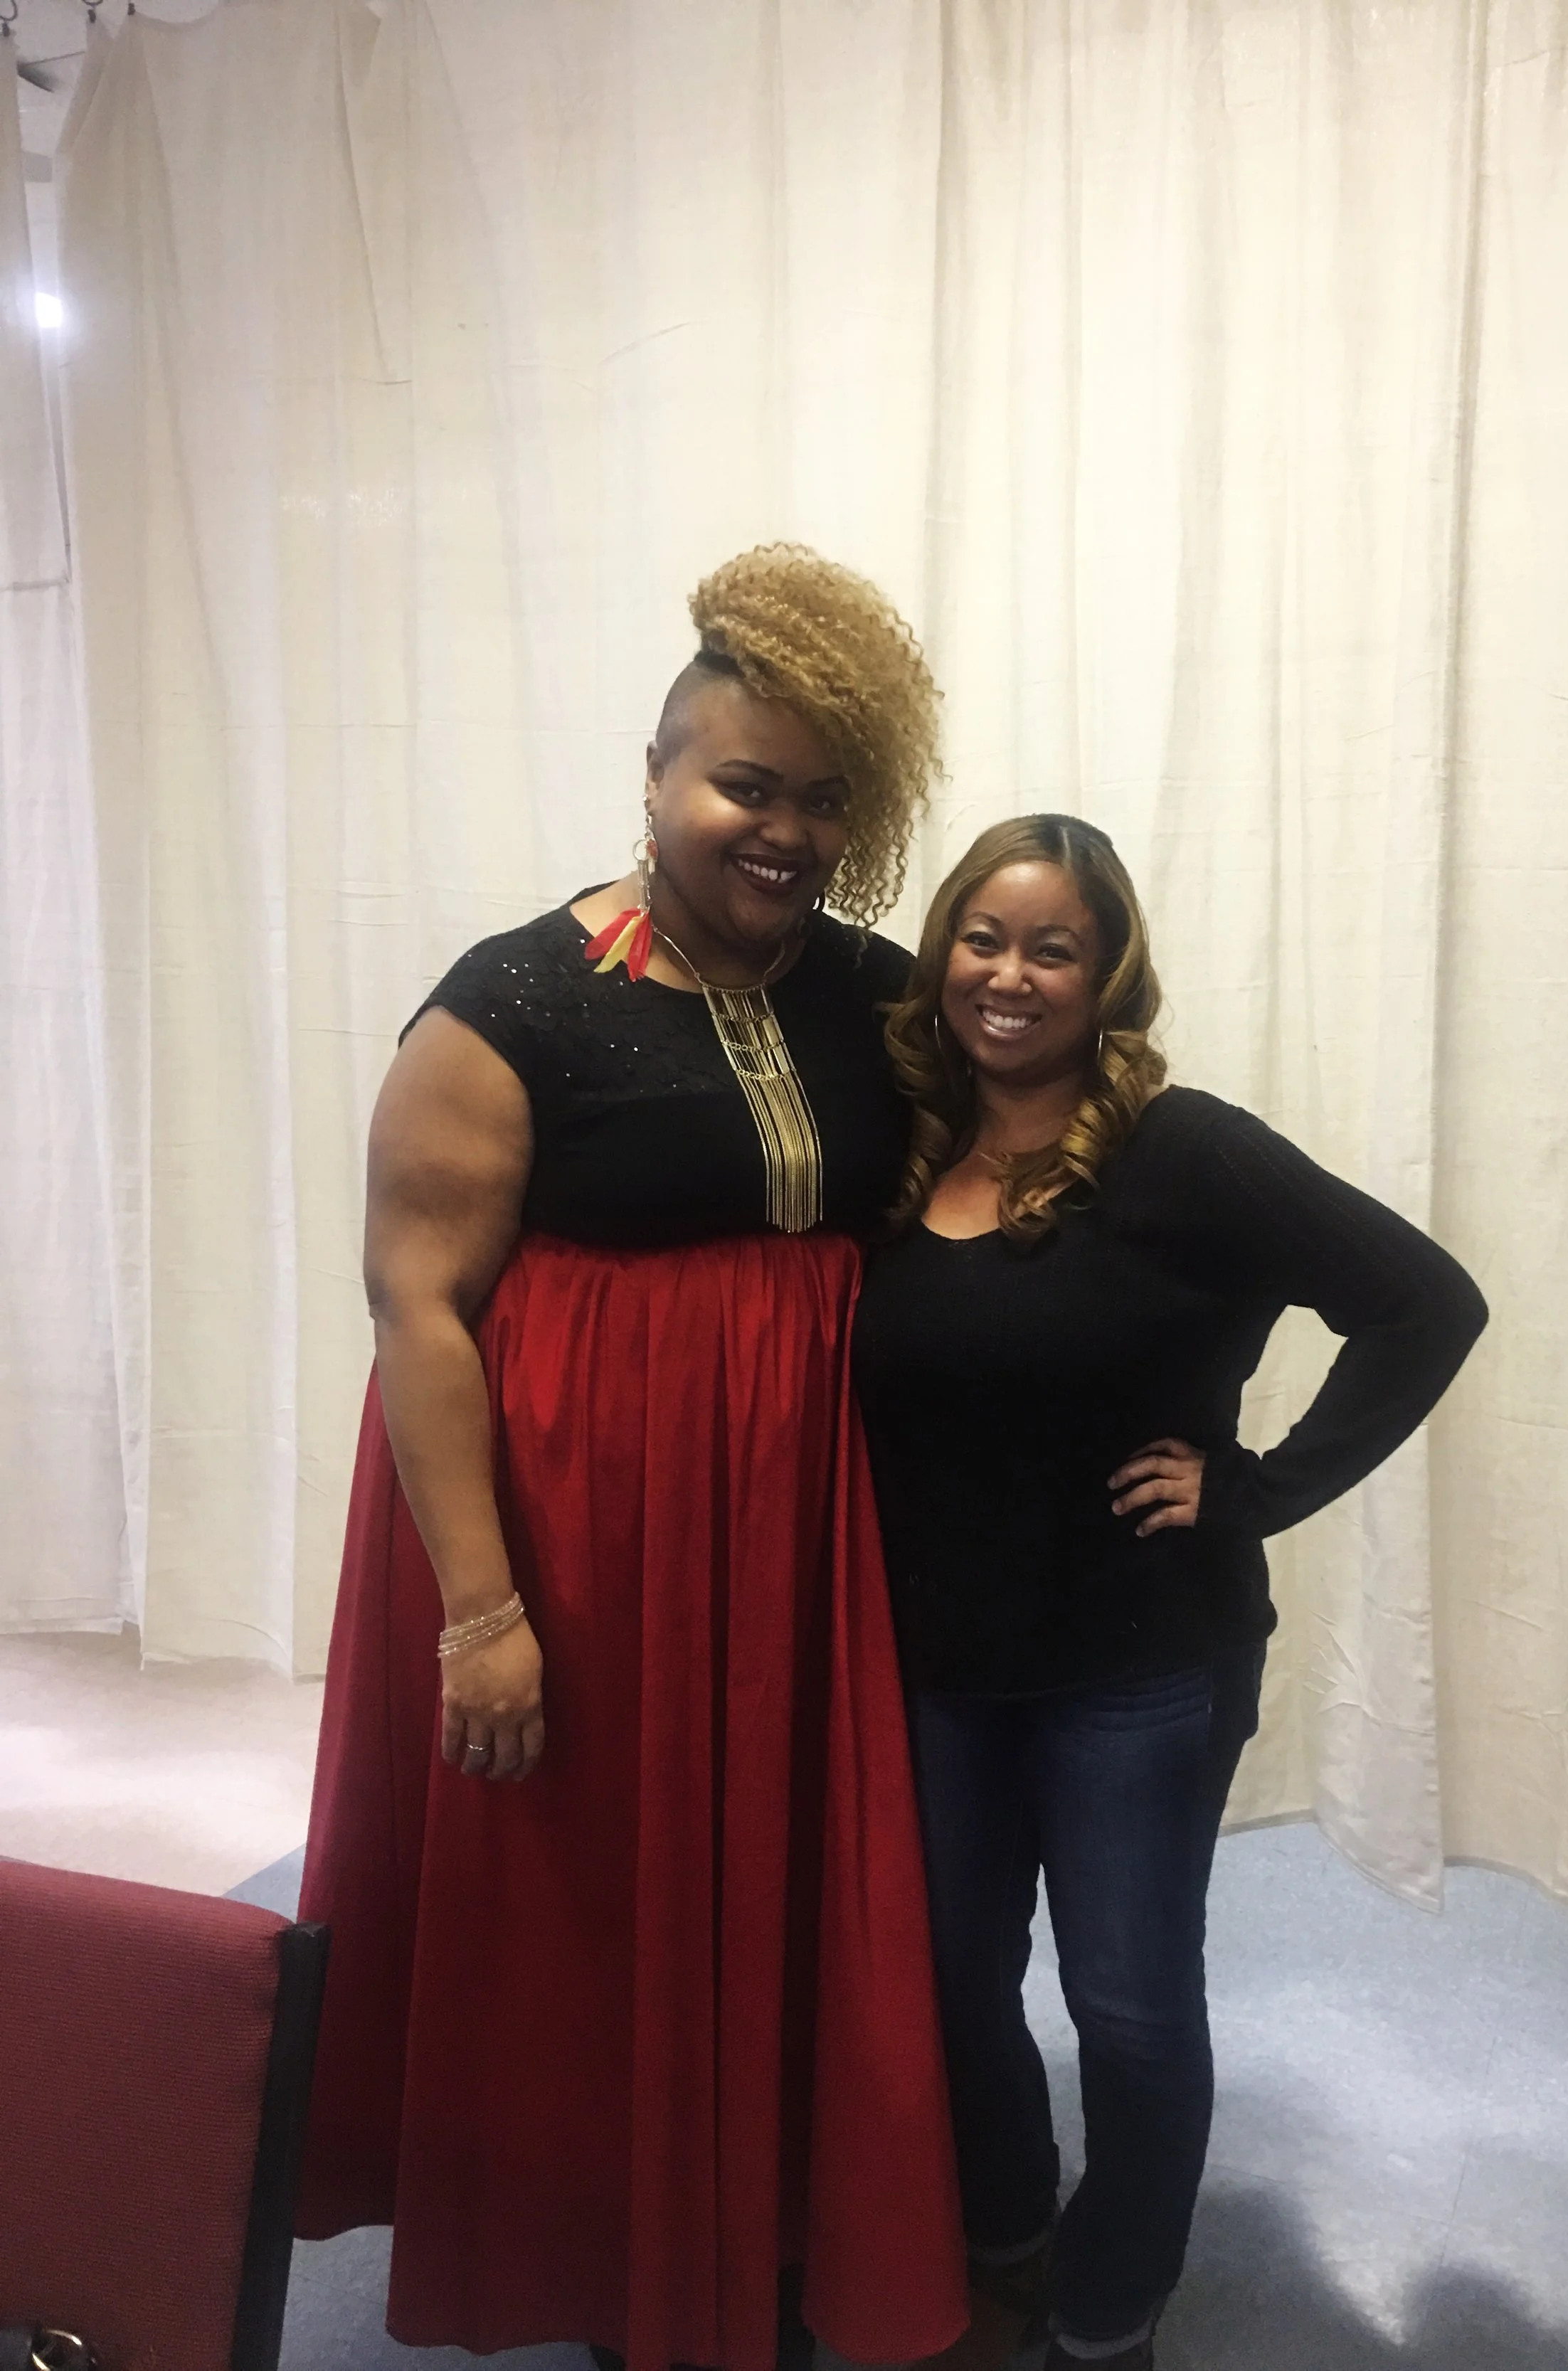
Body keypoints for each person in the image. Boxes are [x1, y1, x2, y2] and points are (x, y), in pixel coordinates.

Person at [295, 546, 968, 2371]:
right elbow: (419, 1307)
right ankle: (625, 2280)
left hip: (799, 1540)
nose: (784, 831)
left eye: (821, 799)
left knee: (791, 1898)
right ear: (657, 772)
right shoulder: (509, 1004)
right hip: (585, 1546)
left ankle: (771, 2234)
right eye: (746, 785)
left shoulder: (873, 993)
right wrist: (481, 1612)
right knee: (602, 1922)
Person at [851, 815, 1488, 2371]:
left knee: (1127, 2005)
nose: (1008, 976)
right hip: (934, 1665)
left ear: (1107, 976)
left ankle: (1107, 2307)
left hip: (1138, 1662)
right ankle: (1005, 2232)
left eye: (1051, 949)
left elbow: (1423, 1303)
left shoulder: (1183, 1151)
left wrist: (1256, 1486)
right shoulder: (901, 1146)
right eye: (982, 939)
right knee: (949, 1983)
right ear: (941, 952)